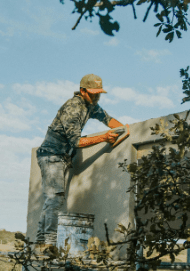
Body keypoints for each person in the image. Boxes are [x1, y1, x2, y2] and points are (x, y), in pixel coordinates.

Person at [35, 73, 124, 246]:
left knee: (52, 200)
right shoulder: (73, 107)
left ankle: (40, 243)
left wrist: (125, 130)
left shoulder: (91, 105)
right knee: (55, 199)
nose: (96, 96)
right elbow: (76, 141)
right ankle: (48, 244)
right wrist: (105, 138)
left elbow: (108, 119)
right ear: (82, 91)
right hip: (51, 155)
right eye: (93, 93)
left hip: (61, 157)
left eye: (99, 93)